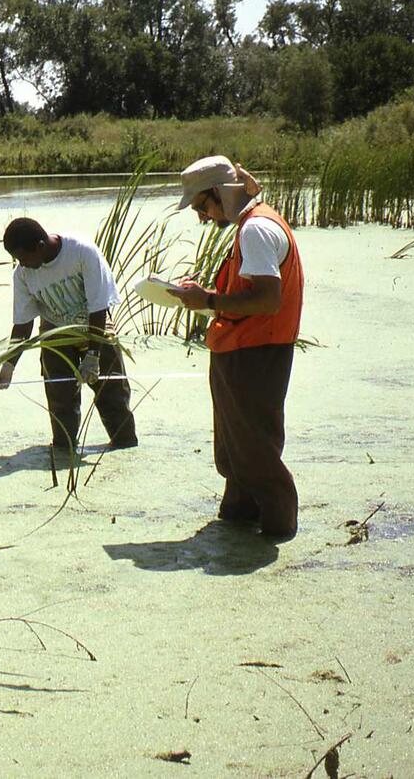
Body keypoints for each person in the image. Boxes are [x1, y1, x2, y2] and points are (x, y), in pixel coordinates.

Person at [169, 156, 304, 540]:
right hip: (242, 348)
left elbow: (267, 299)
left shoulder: (256, 230)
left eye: (201, 205)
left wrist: (208, 300)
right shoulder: (252, 225)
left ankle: (279, 526)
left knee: (253, 447)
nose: (201, 216)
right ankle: (239, 515)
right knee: (233, 446)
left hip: (256, 352)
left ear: (219, 193)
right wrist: (203, 293)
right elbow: (247, 291)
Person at [0, 217, 138, 452]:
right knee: (60, 399)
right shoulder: (22, 274)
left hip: (95, 326)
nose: (23, 264)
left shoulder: (81, 253)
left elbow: (99, 307)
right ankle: (64, 448)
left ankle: (124, 443)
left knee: (112, 395)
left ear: (40, 246)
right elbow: (23, 324)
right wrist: (9, 364)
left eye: (24, 258)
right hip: (55, 331)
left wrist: (93, 355)